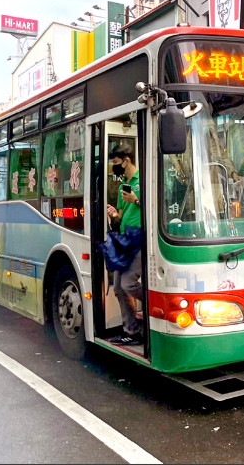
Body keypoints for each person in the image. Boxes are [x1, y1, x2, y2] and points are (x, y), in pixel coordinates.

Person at [106, 145, 143, 346]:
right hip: (124, 239)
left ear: (126, 160)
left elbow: (154, 207)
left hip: (138, 239)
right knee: (118, 287)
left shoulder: (144, 179)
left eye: (116, 164)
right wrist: (114, 214)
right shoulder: (123, 187)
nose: (115, 168)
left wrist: (136, 199)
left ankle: (154, 302)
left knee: (128, 284)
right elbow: (122, 214)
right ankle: (131, 330)